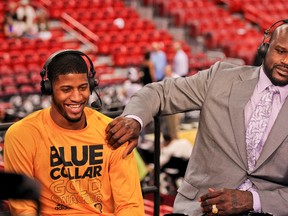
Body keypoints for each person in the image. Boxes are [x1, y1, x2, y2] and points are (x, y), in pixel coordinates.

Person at [105, 20, 288, 215]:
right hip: (200, 208)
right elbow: (160, 93)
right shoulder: (220, 78)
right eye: (280, 51)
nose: (286, 61)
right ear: (265, 47)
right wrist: (134, 119)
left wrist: (254, 200)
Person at [4, 50, 144, 216]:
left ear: (91, 86)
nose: (77, 97)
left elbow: (130, 205)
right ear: (49, 89)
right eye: (66, 89)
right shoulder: (22, 134)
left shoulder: (114, 131)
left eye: (83, 87)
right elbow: (24, 209)